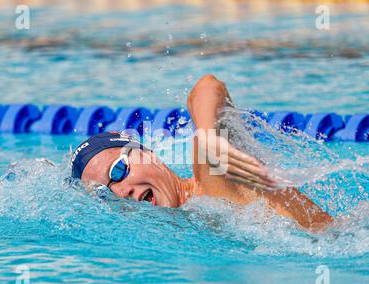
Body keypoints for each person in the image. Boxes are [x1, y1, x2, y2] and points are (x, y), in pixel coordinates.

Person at [71, 75, 333, 230]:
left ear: (147, 154)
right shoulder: (188, 218)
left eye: (118, 171)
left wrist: (209, 136)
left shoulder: (211, 177)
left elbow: (207, 86)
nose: (121, 192)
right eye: (106, 193)